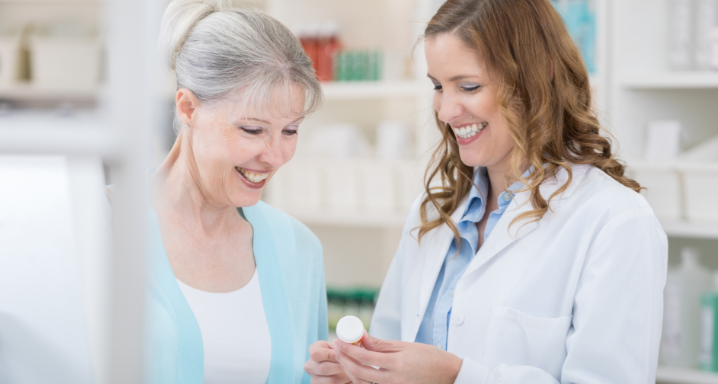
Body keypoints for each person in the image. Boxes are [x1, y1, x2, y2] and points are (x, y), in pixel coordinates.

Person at [305, 0, 667, 383]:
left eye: (469, 86)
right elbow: (391, 353)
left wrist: (455, 376)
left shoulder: (615, 221)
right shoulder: (433, 213)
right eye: (438, 87)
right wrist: (358, 373)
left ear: (536, 76)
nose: (445, 111)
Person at [147, 1, 326, 382]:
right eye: (252, 130)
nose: (275, 156)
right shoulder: (99, 228)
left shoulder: (299, 250)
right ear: (188, 108)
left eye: (290, 131)